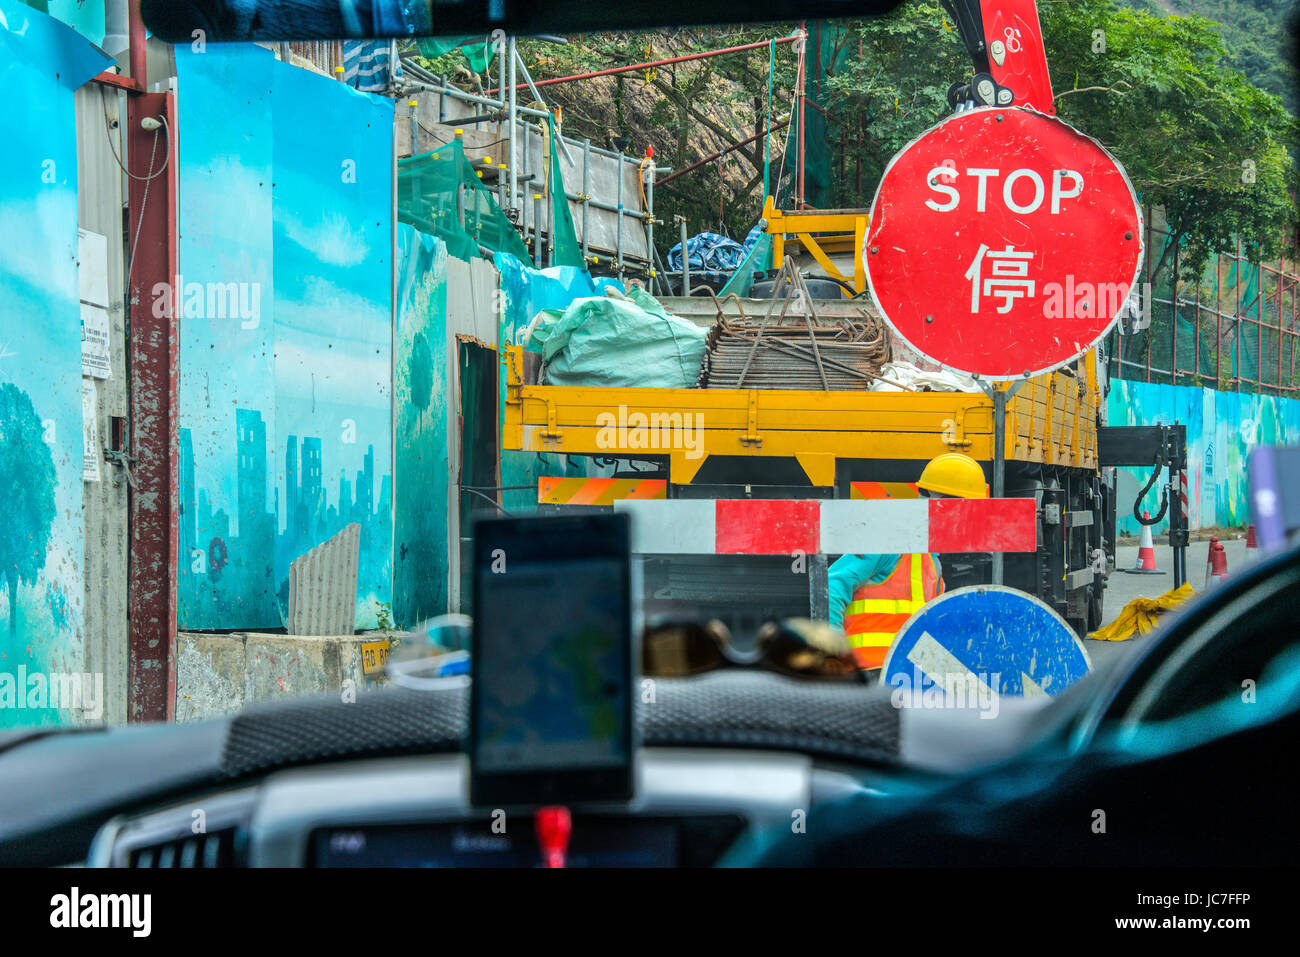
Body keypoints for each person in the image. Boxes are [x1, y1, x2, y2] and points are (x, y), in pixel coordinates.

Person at [828, 452, 989, 671]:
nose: (968, 526)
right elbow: (832, 586)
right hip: (866, 676)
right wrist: (834, 656)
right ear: (945, 506)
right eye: (968, 515)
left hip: (903, 681)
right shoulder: (889, 539)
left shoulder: (932, 564)